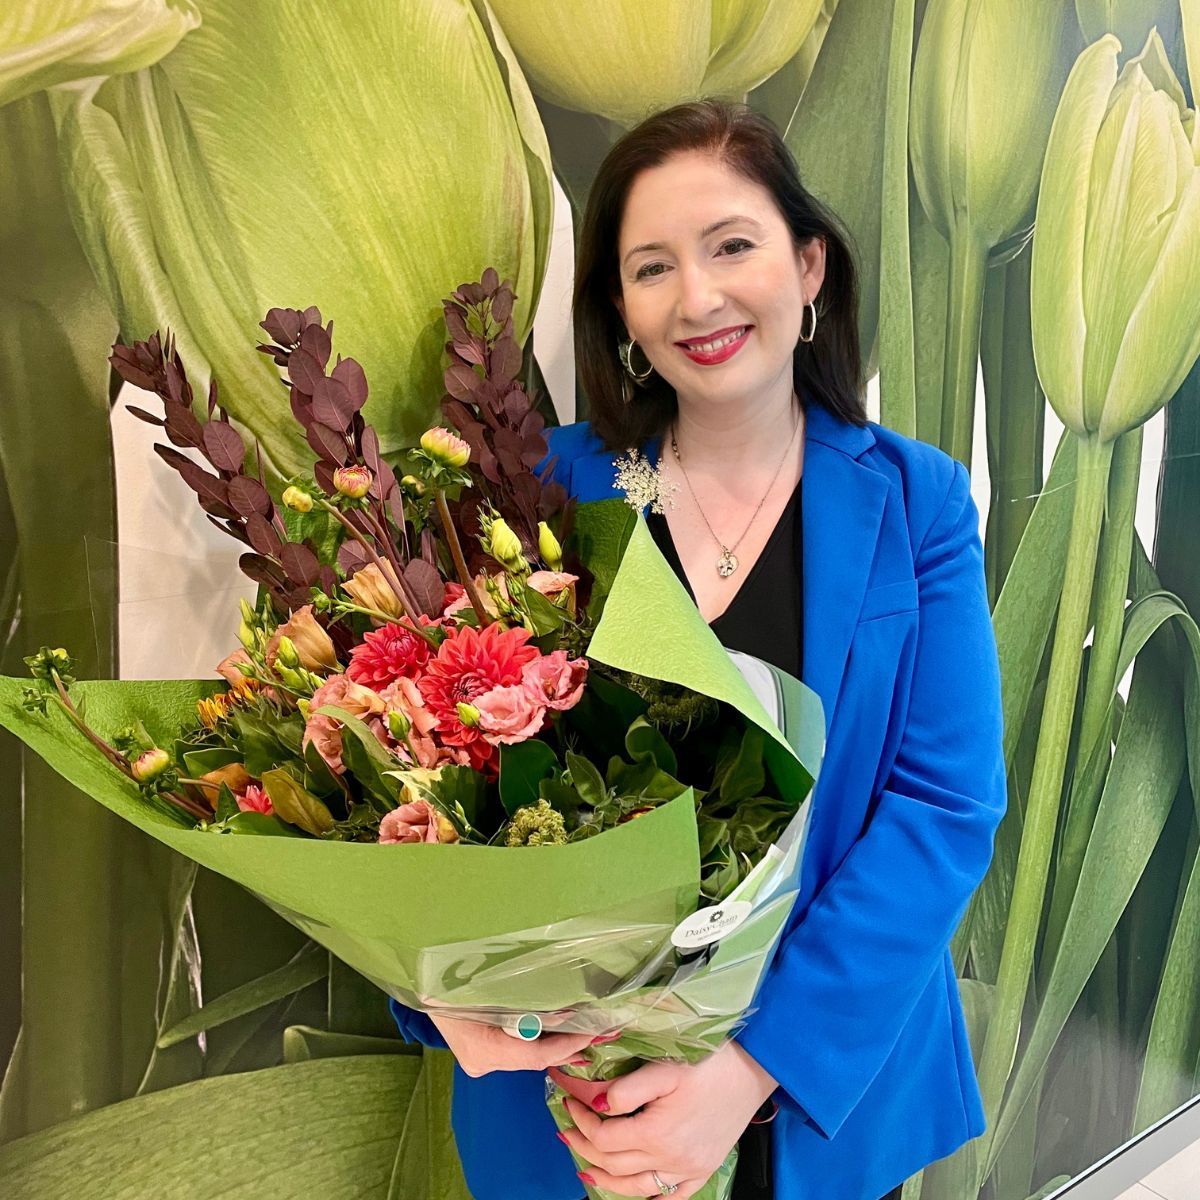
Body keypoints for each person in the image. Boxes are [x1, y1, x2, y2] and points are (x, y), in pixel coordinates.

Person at [390, 99, 1006, 1200]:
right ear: (620, 308)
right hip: (570, 1100)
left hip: (814, 1100)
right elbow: (436, 772)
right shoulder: (548, 494)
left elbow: (943, 805)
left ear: (809, 266)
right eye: (652, 267)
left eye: (732, 246)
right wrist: (440, 996)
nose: (700, 298)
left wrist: (746, 1072)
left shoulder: (916, 500)